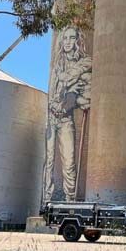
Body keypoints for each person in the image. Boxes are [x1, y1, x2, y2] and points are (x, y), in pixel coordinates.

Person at [42, 26, 92, 202]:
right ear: (61, 41)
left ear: (78, 41)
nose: (68, 42)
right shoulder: (57, 64)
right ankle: (47, 201)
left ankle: (70, 200)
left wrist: (75, 95)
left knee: (69, 163)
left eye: (72, 38)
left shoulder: (84, 61)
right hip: (50, 118)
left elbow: (85, 90)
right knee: (48, 162)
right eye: (65, 38)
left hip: (65, 120)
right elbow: (54, 91)